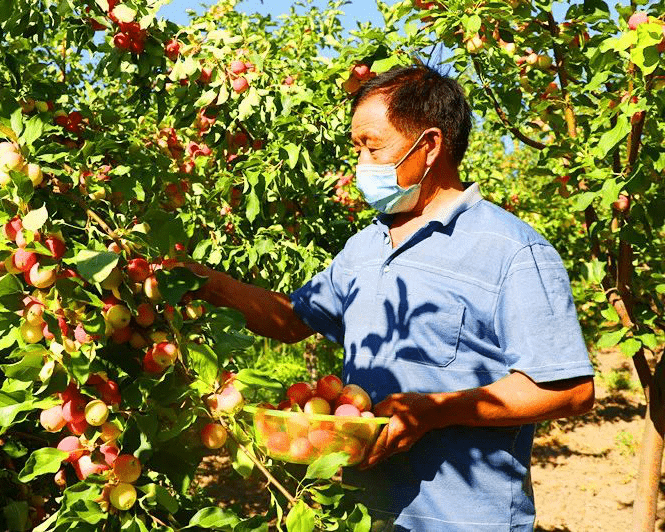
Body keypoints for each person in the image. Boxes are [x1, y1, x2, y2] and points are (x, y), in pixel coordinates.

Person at [184, 64, 594, 532]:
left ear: (430, 145)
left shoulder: (512, 249)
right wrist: (207, 283)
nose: (360, 164)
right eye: (356, 148)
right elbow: (293, 320)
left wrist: (434, 411)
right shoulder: (365, 246)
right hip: (361, 515)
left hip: (463, 521)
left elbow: (569, 389)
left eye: (372, 147)